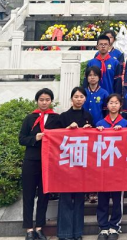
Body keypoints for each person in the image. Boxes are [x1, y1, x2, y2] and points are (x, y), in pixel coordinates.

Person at [19, 88, 62, 240]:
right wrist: (35, 138)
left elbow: (62, 136)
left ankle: (39, 227)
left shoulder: (56, 119)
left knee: (44, 195)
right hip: (31, 161)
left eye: (47, 100)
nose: (44, 102)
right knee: (29, 195)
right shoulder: (29, 118)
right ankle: (29, 229)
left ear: (51, 101)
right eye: (41, 100)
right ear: (37, 101)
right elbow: (21, 139)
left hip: (48, 162)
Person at [57, 87, 94, 240]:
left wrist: (89, 130)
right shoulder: (63, 116)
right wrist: (67, 129)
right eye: (76, 97)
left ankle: (77, 232)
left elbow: (92, 140)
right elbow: (56, 137)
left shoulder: (88, 116)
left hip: (81, 162)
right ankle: (64, 233)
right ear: (71, 99)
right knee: (65, 197)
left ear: (85, 99)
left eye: (81, 97)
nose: (79, 99)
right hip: (65, 162)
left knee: (79, 198)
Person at [96, 93, 127, 240]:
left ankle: (115, 226)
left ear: (120, 105)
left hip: (118, 168)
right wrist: (96, 132)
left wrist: (122, 132)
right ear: (107, 105)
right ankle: (103, 227)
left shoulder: (126, 124)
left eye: (116, 103)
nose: (113, 105)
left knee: (117, 199)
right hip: (103, 167)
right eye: (111, 102)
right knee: (102, 198)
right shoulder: (99, 124)